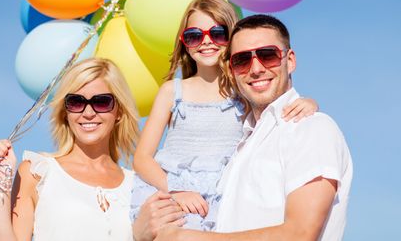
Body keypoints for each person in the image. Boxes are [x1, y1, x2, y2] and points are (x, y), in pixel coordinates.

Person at [136, 14, 353, 241]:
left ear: (290, 61)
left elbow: (300, 234)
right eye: (242, 60)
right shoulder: (243, 145)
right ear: (231, 70)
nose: (256, 68)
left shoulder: (310, 129)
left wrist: (187, 238)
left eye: (268, 55)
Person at [0, 58, 139, 241]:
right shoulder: (37, 173)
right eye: (76, 102)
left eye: (102, 102)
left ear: (119, 111)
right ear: (66, 112)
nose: (88, 113)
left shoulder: (137, 186)